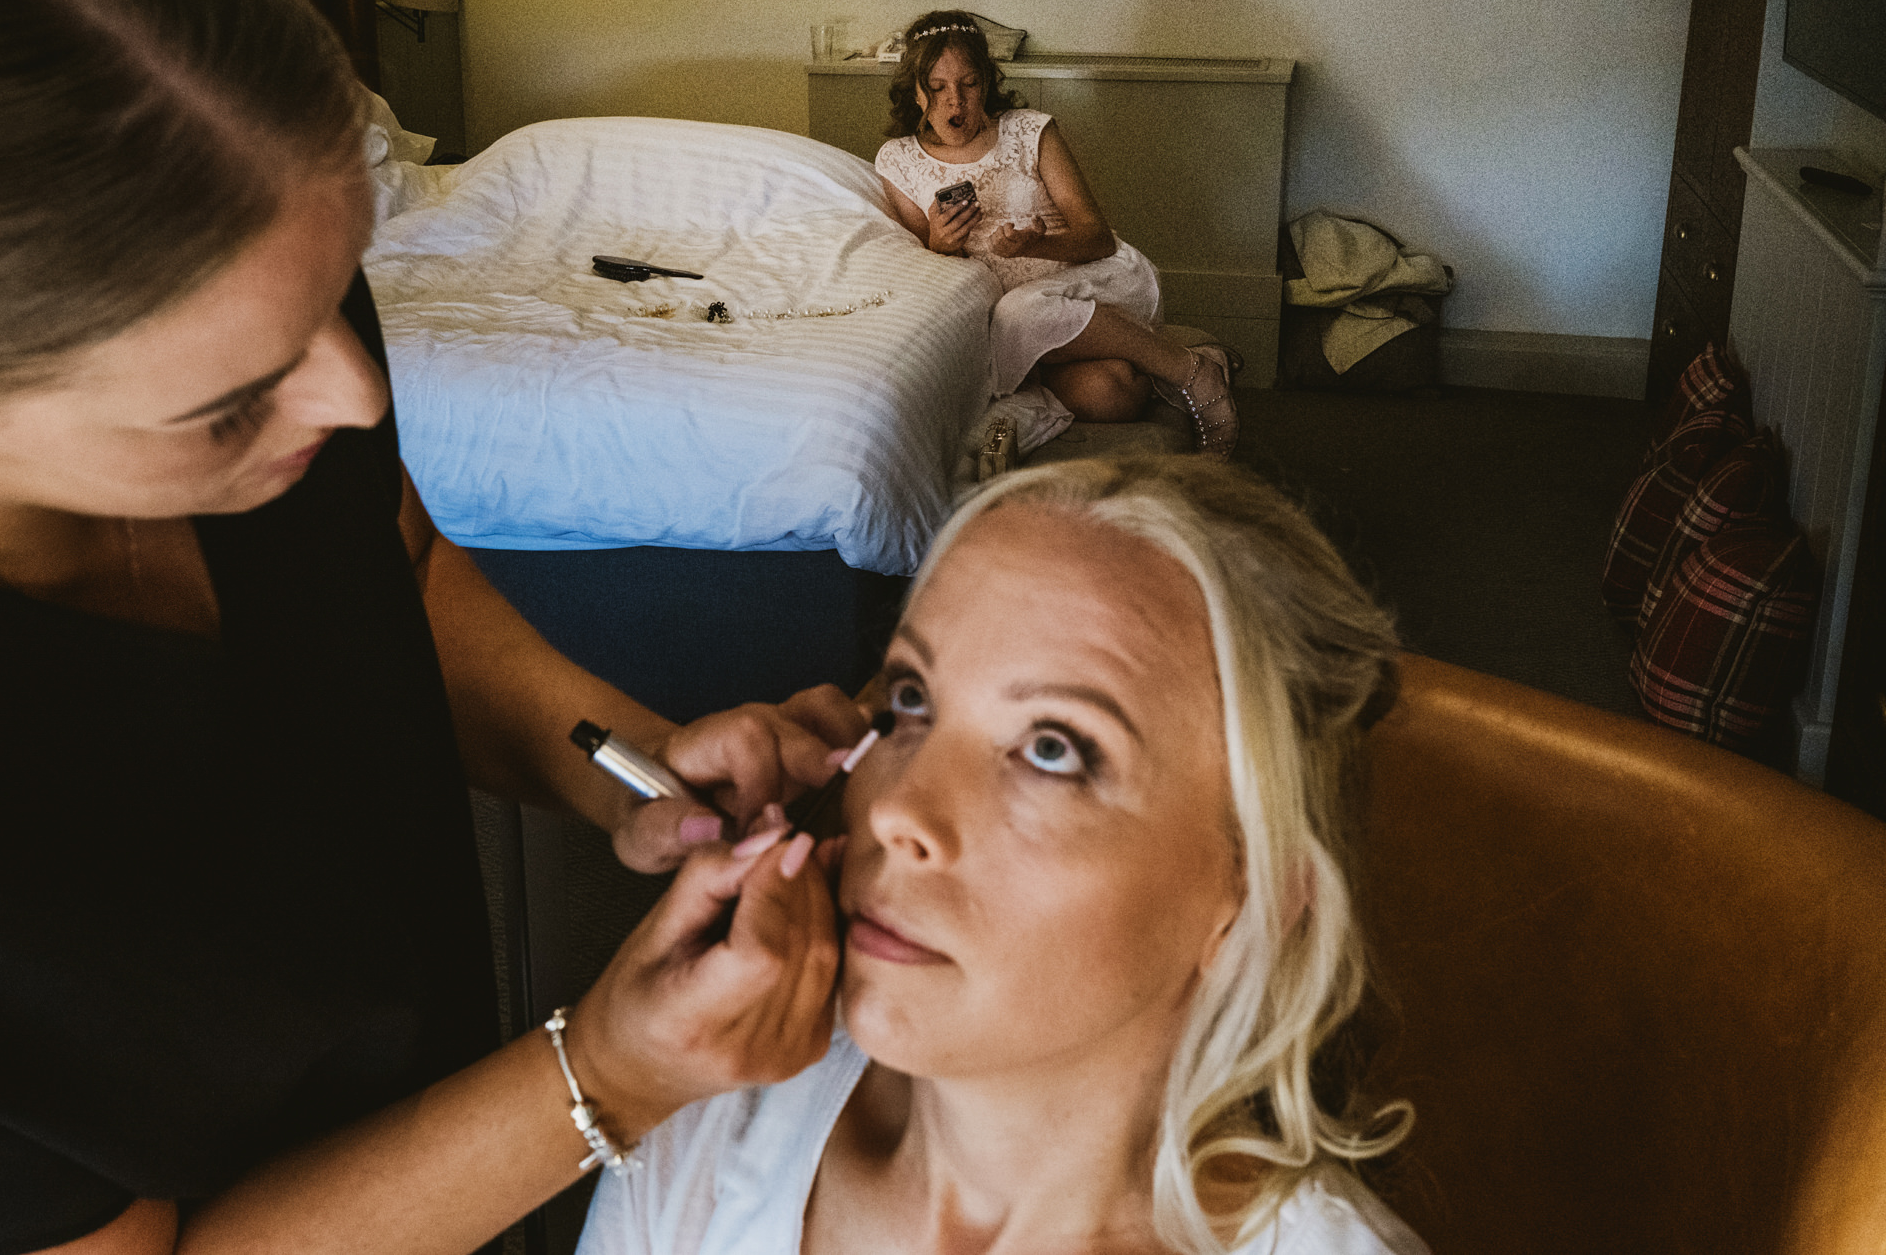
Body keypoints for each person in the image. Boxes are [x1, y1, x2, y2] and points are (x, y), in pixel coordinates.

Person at [0, 0, 860, 1252]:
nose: (358, 402)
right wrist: (603, 1077)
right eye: (230, 405)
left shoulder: (236, 261)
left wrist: (629, 768)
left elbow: (396, 562)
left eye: (339, 291)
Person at [579, 454, 1429, 1255]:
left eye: (1054, 748)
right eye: (911, 700)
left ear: (1253, 898)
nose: (900, 810)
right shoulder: (712, 1106)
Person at [873, 11, 1242, 457]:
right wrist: (939, 243)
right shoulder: (898, 160)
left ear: (986, 83)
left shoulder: (1030, 131)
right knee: (1114, 394)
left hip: (1091, 282)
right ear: (915, 90)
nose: (956, 102)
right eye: (938, 88)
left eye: (969, 84)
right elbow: (919, 266)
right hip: (1010, 333)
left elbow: (1098, 238)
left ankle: (1192, 370)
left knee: (1020, 312)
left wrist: (1037, 244)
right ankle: (1176, 357)